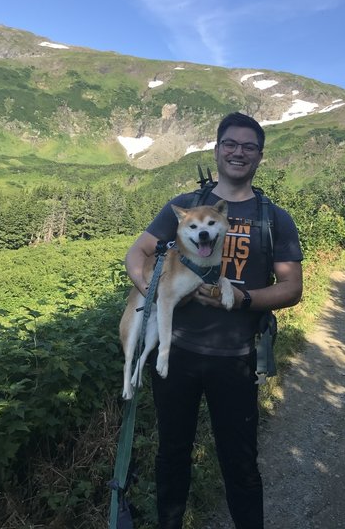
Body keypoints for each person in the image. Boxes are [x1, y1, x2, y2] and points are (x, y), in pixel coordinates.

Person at [125, 112, 303, 529]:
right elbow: (138, 253)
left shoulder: (274, 218)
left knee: (240, 462)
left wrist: (243, 299)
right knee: (171, 456)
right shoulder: (187, 208)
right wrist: (154, 289)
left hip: (236, 358)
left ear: (260, 155)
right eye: (230, 144)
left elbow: (292, 288)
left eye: (248, 146)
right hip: (179, 354)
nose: (238, 152)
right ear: (217, 148)